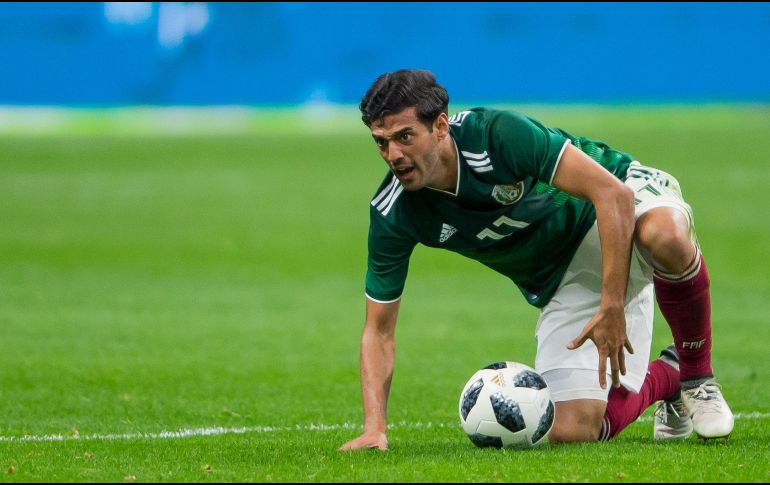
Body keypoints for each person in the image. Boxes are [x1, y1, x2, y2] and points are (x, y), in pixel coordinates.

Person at [338, 69, 733, 450]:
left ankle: (699, 376)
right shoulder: (394, 212)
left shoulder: (495, 135)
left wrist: (613, 305)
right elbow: (379, 330)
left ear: (440, 126)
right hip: (564, 275)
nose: (393, 154)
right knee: (570, 429)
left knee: (666, 236)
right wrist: (375, 429)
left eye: (404, 137)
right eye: (381, 141)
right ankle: (671, 375)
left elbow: (613, 196)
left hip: (617, 199)